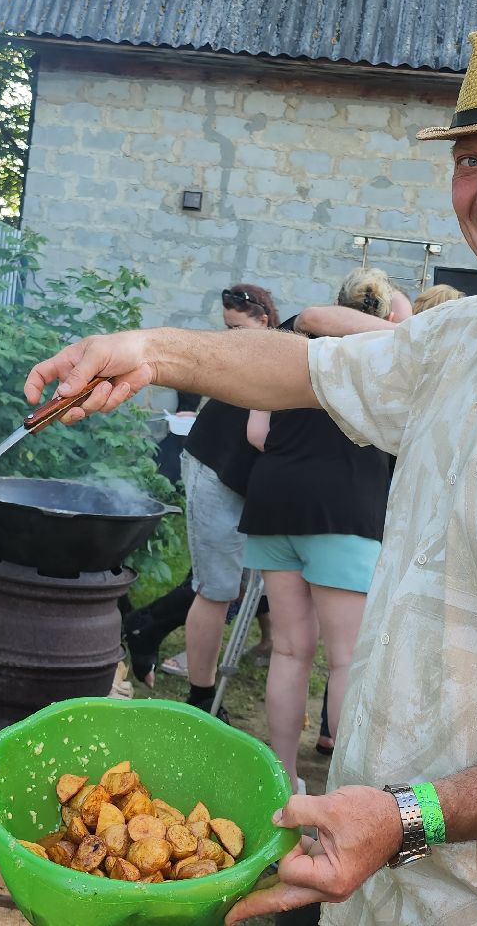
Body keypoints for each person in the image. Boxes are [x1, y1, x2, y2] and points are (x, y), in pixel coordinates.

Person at [23, 11, 477, 925]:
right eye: (471, 162)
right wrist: (151, 350)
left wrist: (410, 816)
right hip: (371, 881)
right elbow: (301, 366)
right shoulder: (464, 336)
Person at [246, 269, 398, 789]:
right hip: (345, 508)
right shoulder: (389, 351)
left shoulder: (291, 339)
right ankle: (343, 793)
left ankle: (283, 781)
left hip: (274, 501)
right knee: (347, 661)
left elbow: (256, 432)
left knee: (290, 651)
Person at [164, 284, 277, 711]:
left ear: (265, 320)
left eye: (238, 327)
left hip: (241, 478)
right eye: (226, 328)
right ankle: (201, 697)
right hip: (213, 470)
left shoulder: (285, 352)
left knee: (233, 587)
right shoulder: (246, 359)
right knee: (216, 589)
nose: (231, 338)